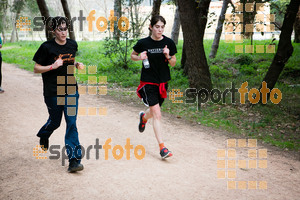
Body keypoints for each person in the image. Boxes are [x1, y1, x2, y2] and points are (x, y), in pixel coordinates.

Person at [33, 16, 84, 172]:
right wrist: (52, 66)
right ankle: (44, 133)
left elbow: (69, 61)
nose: (63, 32)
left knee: (71, 123)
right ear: (53, 31)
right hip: (52, 91)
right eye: (60, 29)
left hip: (70, 89)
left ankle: (74, 161)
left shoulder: (72, 44)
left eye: (65, 28)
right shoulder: (46, 47)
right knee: (55, 122)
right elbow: (36, 68)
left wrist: (76, 64)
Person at [131, 16, 177, 159]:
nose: (160, 29)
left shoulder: (168, 42)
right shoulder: (143, 43)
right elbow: (133, 55)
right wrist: (140, 57)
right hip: (148, 82)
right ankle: (162, 148)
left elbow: (174, 63)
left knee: (153, 112)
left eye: (162, 26)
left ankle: (144, 118)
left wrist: (168, 56)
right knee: (157, 114)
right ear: (151, 27)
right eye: (157, 26)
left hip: (162, 82)